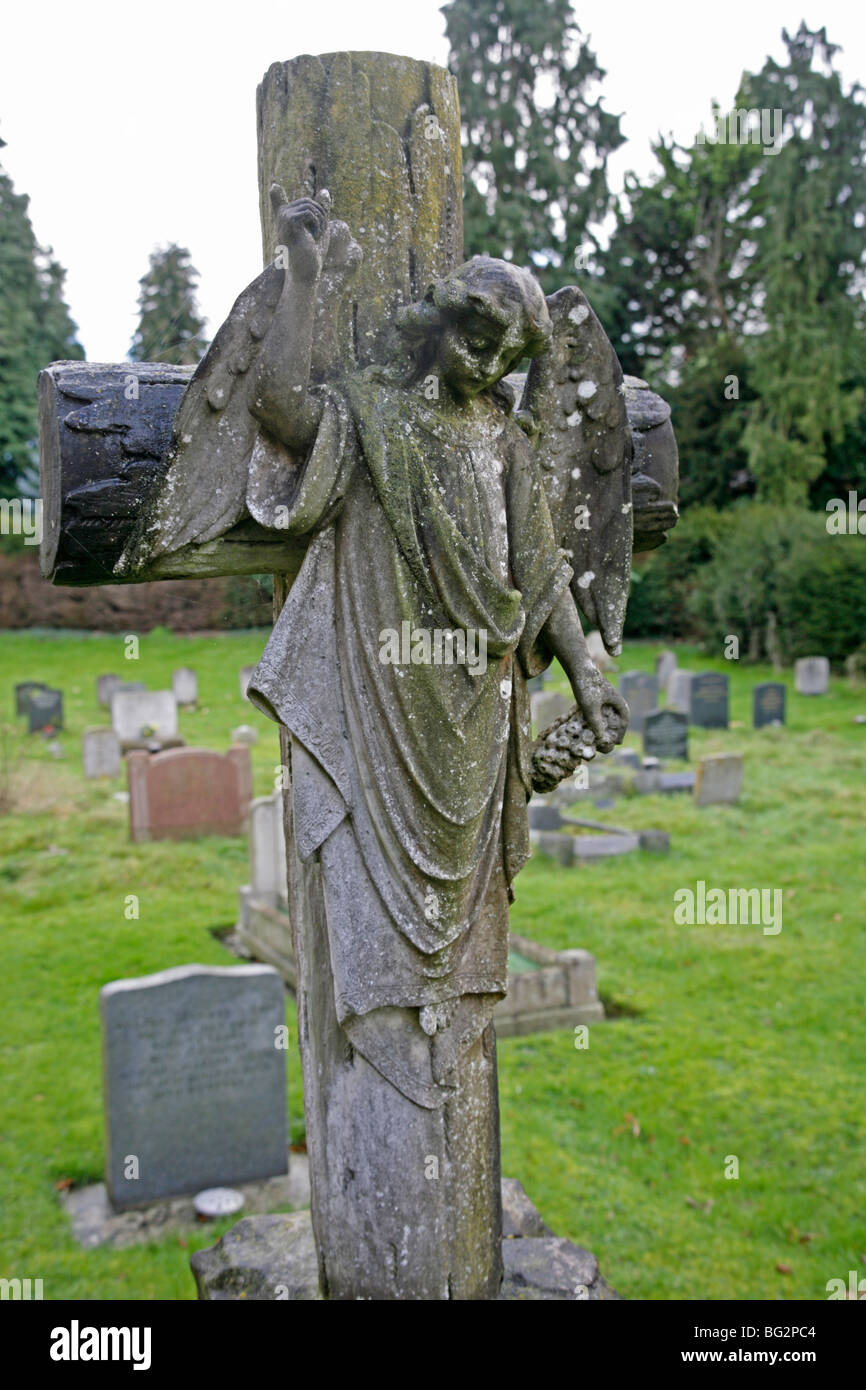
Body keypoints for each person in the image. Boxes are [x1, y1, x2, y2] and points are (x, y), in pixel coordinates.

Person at [243, 191, 628, 1107]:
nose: (488, 365)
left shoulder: (506, 438)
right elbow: (282, 407)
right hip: (383, 700)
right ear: (442, 317)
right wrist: (303, 281)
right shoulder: (375, 413)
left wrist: (589, 668)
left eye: (507, 356)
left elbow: (537, 572)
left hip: (479, 713)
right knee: (370, 898)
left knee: (463, 926)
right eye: (475, 338)